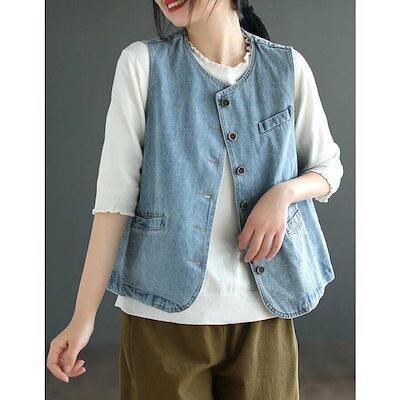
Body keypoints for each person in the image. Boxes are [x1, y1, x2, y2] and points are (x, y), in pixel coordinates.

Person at [47, 1, 344, 399]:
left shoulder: (287, 67)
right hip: (159, 313)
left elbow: (327, 168)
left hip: (265, 310)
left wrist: (283, 194)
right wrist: (83, 318)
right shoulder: (142, 65)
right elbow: (115, 200)